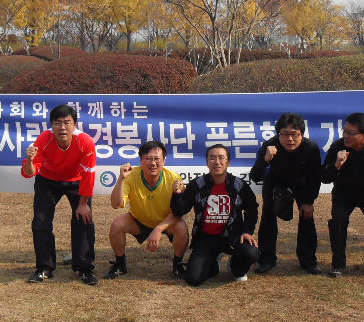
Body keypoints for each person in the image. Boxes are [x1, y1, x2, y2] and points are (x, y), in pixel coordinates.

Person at [21, 104, 98, 286]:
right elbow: (29, 172)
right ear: (51, 125)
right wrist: (30, 160)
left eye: (67, 123)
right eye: (57, 123)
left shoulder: (85, 141)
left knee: (83, 219)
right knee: (41, 221)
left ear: (75, 124)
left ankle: (84, 267)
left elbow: (89, 174)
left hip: (76, 181)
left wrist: (83, 203)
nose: (62, 128)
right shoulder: (44, 139)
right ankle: (44, 267)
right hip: (48, 181)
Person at [170, 144, 260, 286]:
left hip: (233, 236)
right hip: (206, 238)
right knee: (192, 279)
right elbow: (179, 211)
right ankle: (213, 265)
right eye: (212, 158)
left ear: (228, 162)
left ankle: (235, 268)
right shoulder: (198, 184)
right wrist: (177, 195)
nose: (217, 162)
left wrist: (247, 231)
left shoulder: (239, 185)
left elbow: (252, 209)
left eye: (221, 158)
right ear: (207, 162)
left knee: (250, 252)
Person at [249, 113, 323, 275]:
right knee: (268, 215)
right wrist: (265, 160)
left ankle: (308, 259)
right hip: (276, 182)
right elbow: (255, 176)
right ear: (278, 134)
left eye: (294, 134)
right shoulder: (270, 145)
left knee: (307, 215)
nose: (290, 139)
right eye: (285, 134)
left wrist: (308, 201)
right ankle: (266, 259)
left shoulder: (311, 148)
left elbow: (314, 177)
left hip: (301, 183)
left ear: (301, 134)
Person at [106, 140, 190, 280]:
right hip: (139, 220)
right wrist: (121, 179)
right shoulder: (131, 175)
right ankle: (120, 264)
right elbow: (116, 204)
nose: (153, 163)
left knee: (182, 227)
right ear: (141, 160)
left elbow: (178, 212)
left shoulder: (174, 178)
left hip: (165, 222)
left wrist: (158, 230)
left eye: (157, 159)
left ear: (164, 160)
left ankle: (178, 264)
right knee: (117, 225)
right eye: (148, 159)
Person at [321, 112, 364, 277]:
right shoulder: (338, 147)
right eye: (344, 131)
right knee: (338, 221)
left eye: (351, 133)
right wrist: (336, 165)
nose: (345, 135)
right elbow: (324, 178)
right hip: (344, 194)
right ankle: (338, 264)